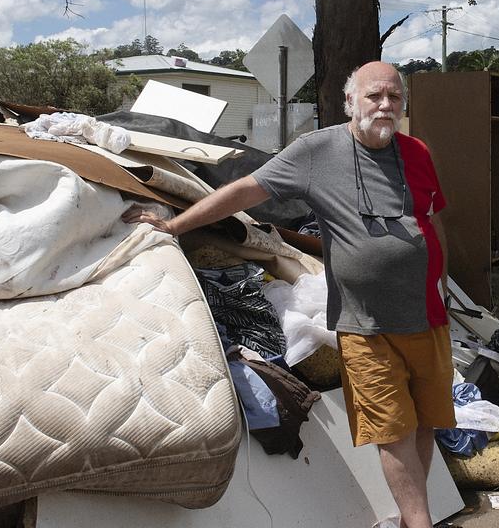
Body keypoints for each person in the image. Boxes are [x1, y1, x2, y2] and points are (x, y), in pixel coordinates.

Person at [123, 61, 454, 528]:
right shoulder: (316, 152)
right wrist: (175, 226)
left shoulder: (416, 151)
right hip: (367, 324)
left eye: (394, 98)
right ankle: (420, 522)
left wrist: (443, 280)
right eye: (373, 96)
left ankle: (409, 518)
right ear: (350, 103)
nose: (384, 106)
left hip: (429, 316)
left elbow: (433, 218)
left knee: (425, 422)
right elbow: (244, 190)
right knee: (392, 431)